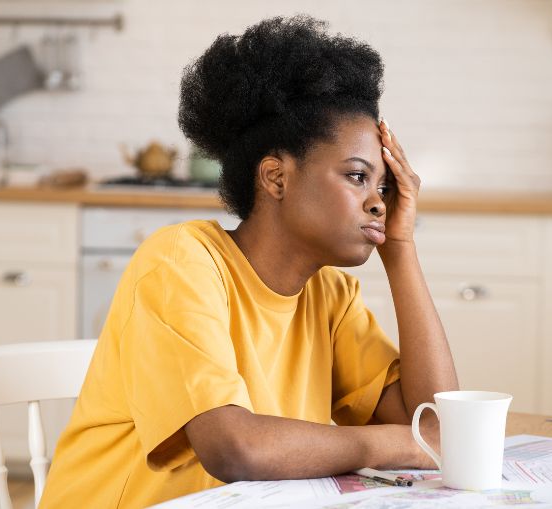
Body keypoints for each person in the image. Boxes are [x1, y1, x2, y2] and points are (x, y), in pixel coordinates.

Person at [40, 15, 458, 508]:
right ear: (276, 177)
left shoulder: (331, 297)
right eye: (356, 176)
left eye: (384, 187)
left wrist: (401, 249)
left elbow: (433, 428)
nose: (378, 203)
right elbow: (234, 447)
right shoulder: (181, 262)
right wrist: (385, 445)